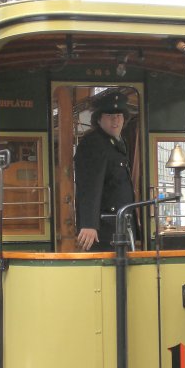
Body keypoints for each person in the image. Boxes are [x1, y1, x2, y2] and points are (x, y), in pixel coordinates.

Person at [74, 90, 136, 252]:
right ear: (99, 119)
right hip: (103, 229)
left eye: (119, 115)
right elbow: (88, 185)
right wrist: (89, 224)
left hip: (119, 224)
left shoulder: (117, 143)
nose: (115, 120)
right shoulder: (93, 143)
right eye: (109, 116)